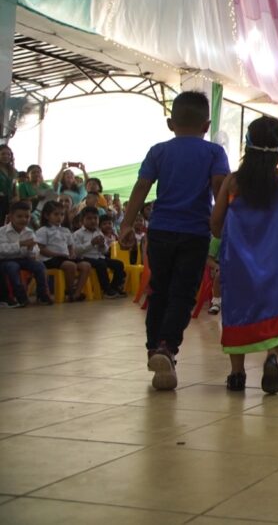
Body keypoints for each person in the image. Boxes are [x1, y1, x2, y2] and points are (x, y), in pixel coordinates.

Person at [119, 91, 229, 391]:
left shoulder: (158, 151)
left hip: (160, 231)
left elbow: (142, 186)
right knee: (182, 294)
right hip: (194, 233)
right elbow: (220, 189)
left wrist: (127, 224)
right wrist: (223, 224)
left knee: (159, 292)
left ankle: (155, 349)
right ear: (207, 125)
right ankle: (167, 347)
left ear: (171, 123)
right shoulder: (214, 153)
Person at [212, 117, 278, 394]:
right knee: (276, 310)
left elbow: (216, 226)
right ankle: (272, 358)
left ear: (247, 146)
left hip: (239, 263)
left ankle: (237, 374)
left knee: (237, 312)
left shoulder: (233, 182)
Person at [36, 200, 91, 301]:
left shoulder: (65, 230)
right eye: (56, 214)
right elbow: (41, 249)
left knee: (86, 265)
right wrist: (57, 254)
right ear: (47, 216)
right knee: (71, 265)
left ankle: (77, 293)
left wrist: (72, 254)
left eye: (62, 214)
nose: (59, 217)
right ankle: (70, 291)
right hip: (49, 259)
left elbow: (70, 246)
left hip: (64, 258)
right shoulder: (43, 230)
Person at [0, 201, 52, 307]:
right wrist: (20, 244)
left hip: (24, 259)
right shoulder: (2, 231)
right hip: (6, 260)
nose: (24, 219)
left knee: (39, 266)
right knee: (12, 267)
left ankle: (42, 295)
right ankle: (20, 296)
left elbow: (35, 252)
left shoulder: (29, 232)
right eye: (19, 216)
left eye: (27, 216)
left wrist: (31, 249)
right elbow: (1, 249)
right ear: (11, 217)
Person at [72, 206, 126, 298]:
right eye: (89, 218)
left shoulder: (99, 232)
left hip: (99, 257)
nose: (93, 221)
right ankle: (106, 290)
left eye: (95, 218)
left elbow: (104, 251)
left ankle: (114, 287)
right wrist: (91, 243)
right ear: (82, 220)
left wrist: (102, 246)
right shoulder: (78, 234)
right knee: (101, 265)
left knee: (119, 264)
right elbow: (76, 251)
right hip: (85, 258)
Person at [0, 145, 18, 224]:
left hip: (9, 202)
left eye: (8, 154)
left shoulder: (13, 171)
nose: (6, 156)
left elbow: (14, 186)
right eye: (3, 154)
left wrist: (16, 196)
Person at [206, 237, 222, 315]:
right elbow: (208, 259)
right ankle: (216, 303)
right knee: (220, 274)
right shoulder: (217, 239)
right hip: (218, 266)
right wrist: (216, 266)